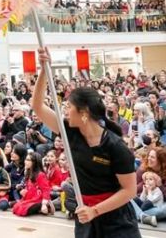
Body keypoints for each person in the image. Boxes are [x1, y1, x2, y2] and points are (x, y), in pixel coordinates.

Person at [32, 47, 140, 237]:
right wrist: (43, 69)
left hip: (115, 219)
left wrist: (96, 210)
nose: (65, 111)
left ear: (84, 112)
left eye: (69, 107)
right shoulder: (70, 132)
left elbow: (129, 191)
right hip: (85, 214)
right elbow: (38, 107)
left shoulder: (115, 146)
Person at [12, 152, 54, 216]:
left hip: (38, 199)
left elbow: (46, 190)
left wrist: (44, 204)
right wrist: (24, 191)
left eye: (28, 160)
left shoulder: (40, 174)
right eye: (26, 159)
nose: (25, 161)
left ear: (35, 162)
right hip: (30, 198)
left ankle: (45, 206)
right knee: (16, 208)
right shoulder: (28, 172)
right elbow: (28, 186)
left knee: (23, 210)